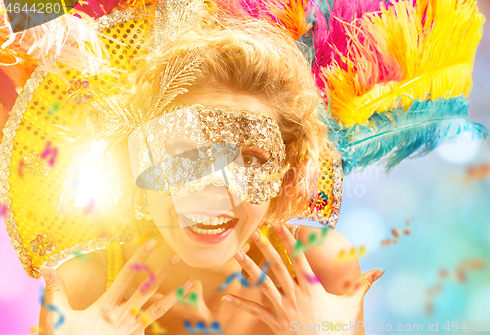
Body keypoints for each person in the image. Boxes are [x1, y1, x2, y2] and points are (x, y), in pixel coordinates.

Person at [37, 6, 378, 334]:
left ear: (284, 173)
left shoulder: (322, 268)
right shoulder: (83, 288)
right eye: (185, 154)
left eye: (249, 160)